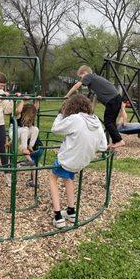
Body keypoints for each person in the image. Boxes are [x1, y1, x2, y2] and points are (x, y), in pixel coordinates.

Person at [50, 94, 107, 228]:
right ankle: (71, 211)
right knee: (68, 179)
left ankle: (58, 217)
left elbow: (55, 129)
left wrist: (61, 114)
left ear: (72, 107)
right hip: (81, 162)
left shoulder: (75, 119)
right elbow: (103, 146)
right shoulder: (96, 121)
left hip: (67, 160)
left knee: (53, 178)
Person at [65, 65, 124, 149]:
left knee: (108, 122)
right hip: (116, 99)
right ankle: (115, 141)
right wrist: (91, 110)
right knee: (111, 122)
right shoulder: (95, 82)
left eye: (81, 76)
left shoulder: (89, 76)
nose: (81, 79)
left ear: (85, 73)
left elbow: (76, 86)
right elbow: (96, 98)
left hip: (112, 100)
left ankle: (119, 141)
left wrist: (67, 96)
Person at [9, 96, 42, 187]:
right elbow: (18, 110)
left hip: (24, 132)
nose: (32, 116)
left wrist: (38, 100)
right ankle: (24, 148)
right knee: (25, 129)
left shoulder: (29, 120)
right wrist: (22, 100)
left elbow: (35, 108)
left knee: (35, 129)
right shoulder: (18, 115)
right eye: (30, 114)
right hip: (15, 132)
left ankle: (30, 146)